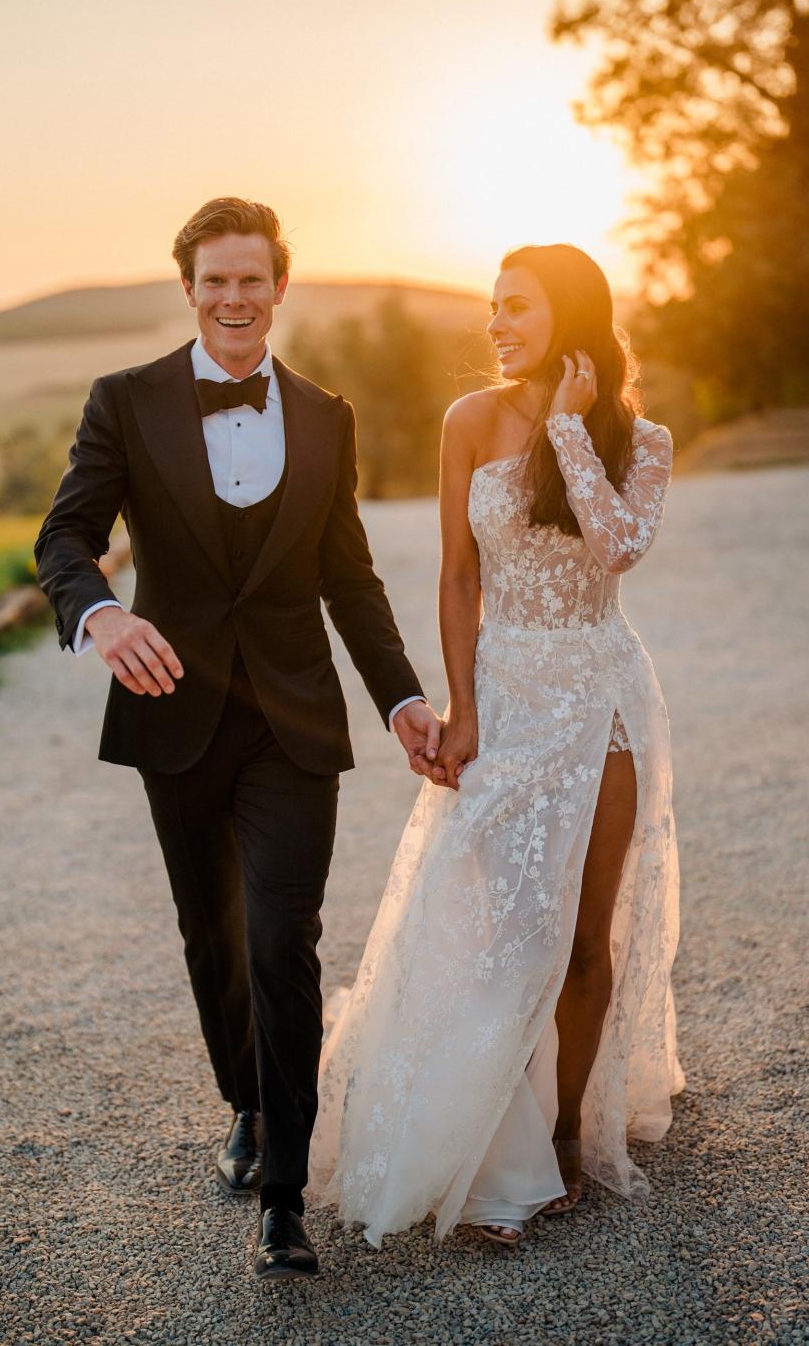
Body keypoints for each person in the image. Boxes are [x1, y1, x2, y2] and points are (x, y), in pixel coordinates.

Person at [34, 198, 443, 1282]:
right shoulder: (124, 403)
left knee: (281, 940)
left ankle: (286, 1198)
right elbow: (66, 535)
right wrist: (101, 614)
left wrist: (401, 698)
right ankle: (248, 1103)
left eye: (250, 279)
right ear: (188, 288)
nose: (232, 298)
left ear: (278, 288)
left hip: (295, 721)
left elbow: (348, 578)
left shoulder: (327, 415)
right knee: (212, 938)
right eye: (213, 280)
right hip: (177, 715)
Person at [309, 244, 684, 1247]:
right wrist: (461, 710)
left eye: (516, 307)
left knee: (583, 936)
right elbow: (457, 578)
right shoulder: (466, 422)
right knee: (494, 928)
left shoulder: (641, 441)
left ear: (569, 316)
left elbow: (618, 548)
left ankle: (561, 1141)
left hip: (600, 698)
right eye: (491, 307)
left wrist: (567, 428)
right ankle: (483, 1144)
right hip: (505, 701)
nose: (496, 325)